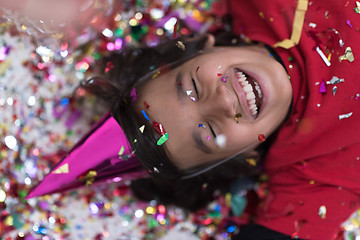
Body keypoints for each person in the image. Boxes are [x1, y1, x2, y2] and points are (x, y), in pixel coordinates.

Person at [27, 0, 360, 239]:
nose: (222, 102)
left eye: (192, 88)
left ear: (203, 47)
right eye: (212, 133)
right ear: (244, 156)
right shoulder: (313, 173)